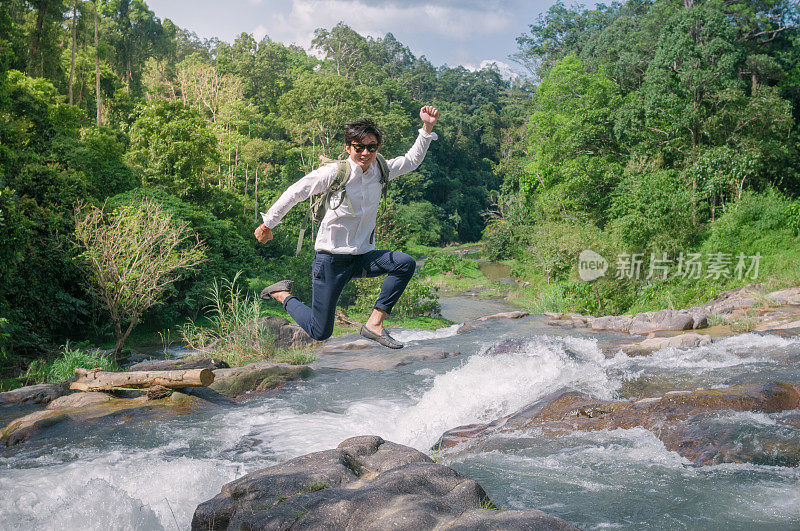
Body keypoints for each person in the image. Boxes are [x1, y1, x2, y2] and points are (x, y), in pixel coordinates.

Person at [254, 106, 439, 349]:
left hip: (361, 257)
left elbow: (412, 161)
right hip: (331, 261)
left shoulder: (380, 170)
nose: (365, 153)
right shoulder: (334, 172)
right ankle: (282, 295)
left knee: (405, 263)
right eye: (358, 147)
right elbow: (296, 192)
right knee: (320, 332)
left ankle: (374, 324)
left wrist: (427, 128)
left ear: (377, 148)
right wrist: (269, 224)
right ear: (348, 147)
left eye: (371, 147)